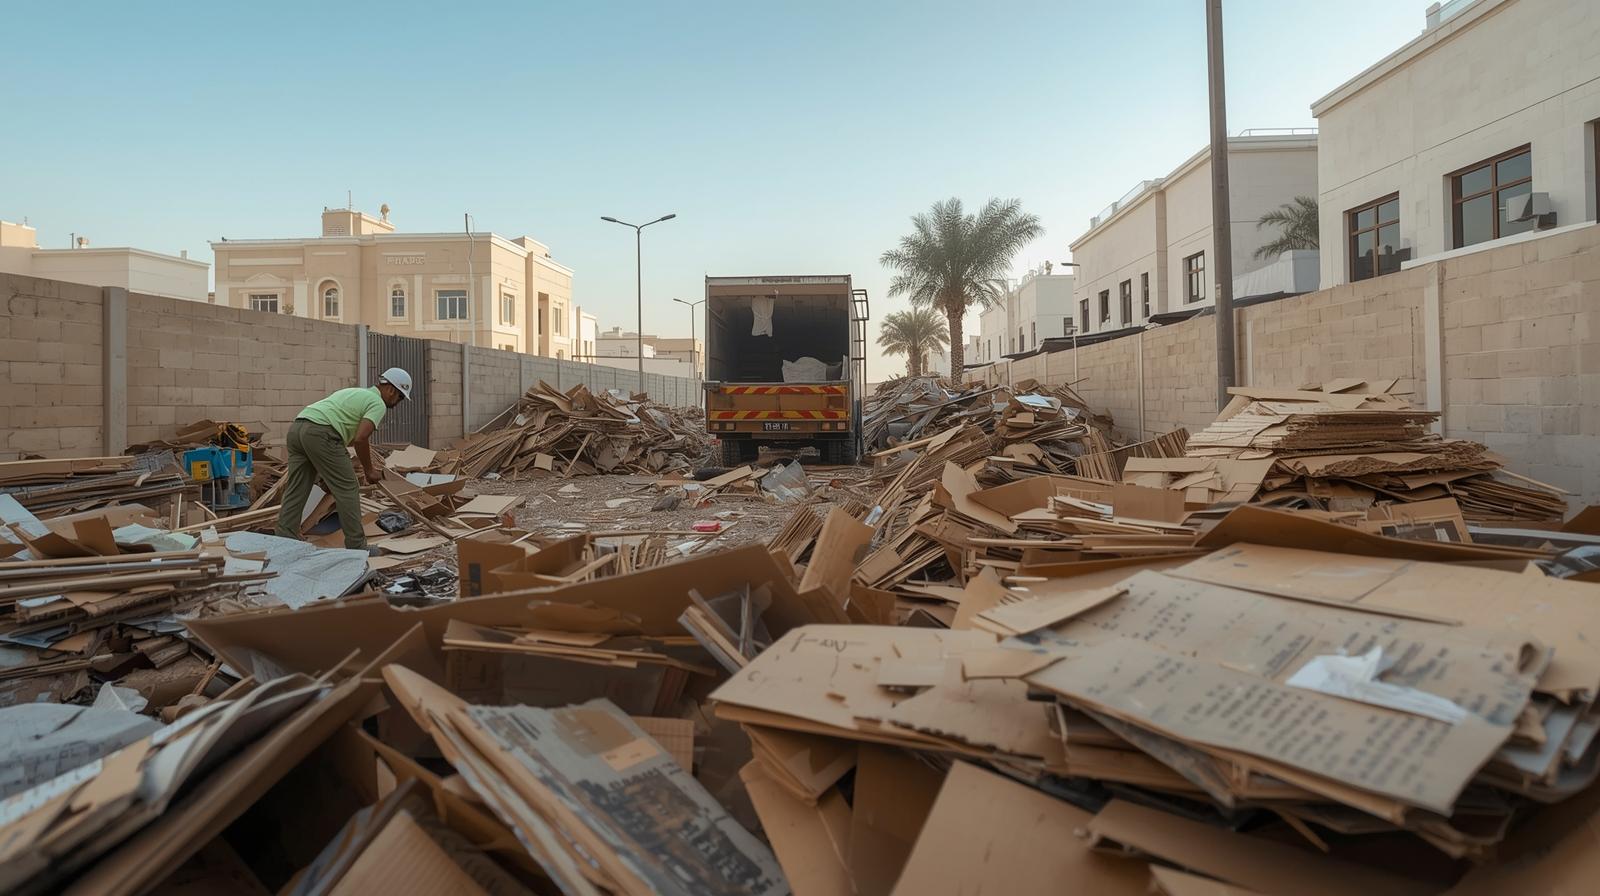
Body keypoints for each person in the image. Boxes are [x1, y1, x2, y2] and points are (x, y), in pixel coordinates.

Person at [274, 368, 412, 551]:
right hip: (322, 433)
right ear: (392, 390)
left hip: (299, 428)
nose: (398, 402)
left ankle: (285, 537)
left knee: (298, 486)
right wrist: (369, 470)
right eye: (400, 397)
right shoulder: (377, 403)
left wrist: (325, 478)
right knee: (348, 488)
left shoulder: (355, 392)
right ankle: (357, 546)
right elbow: (361, 438)